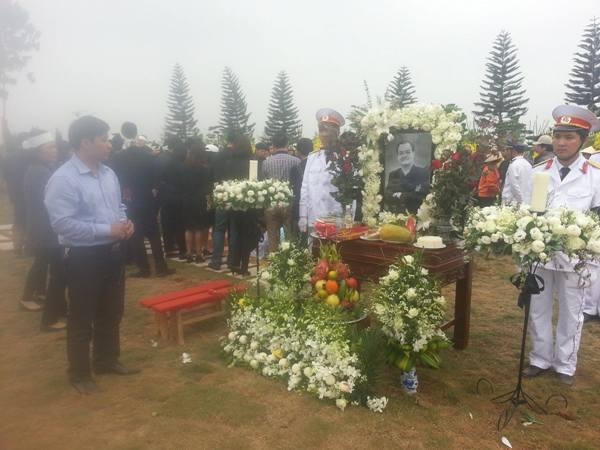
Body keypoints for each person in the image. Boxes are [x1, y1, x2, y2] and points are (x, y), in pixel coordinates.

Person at [44, 116, 140, 394]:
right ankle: (79, 373)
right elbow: (62, 224)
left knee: (111, 311)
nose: (109, 144)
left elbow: (118, 206)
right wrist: (107, 229)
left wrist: (125, 222)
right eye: (103, 139)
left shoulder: (109, 174)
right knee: (82, 315)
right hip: (83, 256)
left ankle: (106, 360)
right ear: (85, 142)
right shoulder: (63, 179)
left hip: (112, 252)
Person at [524, 105, 600, 386]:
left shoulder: (595, 175)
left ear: (582, 140)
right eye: (557, 136)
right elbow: (526, 213)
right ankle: (540, 358)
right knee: (538, 308)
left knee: (572, 312)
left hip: (576, 259)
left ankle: (565, 364)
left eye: (569, 137)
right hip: (541, 254)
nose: (561, 143)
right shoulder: (538, 172)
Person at [21, 131, 68, 329]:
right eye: (50, 147)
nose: (54, 150)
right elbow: (51, 201)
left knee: (45, 264)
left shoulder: (42, 169)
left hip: (43, 226)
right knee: (56, 269)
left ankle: (56, 306)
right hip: (46, 227)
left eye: (54, 146)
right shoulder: (39, 172)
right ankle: (51, 314)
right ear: (38, 152)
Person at [112, 131, 174, 278]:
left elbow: (118, 178)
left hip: (130, 198)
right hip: (147, 198)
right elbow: (156, 177)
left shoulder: (120, 158)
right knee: (154, 234)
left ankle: (143, 268)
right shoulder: (148, 157)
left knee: (136, 235)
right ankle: (161, 267)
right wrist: (154, 188)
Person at [299, 108, 345, 233]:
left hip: (336, 218)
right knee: (314, 246)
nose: (324, 135)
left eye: (327, 130)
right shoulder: (312, 158)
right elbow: (305, 187)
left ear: (336, 133)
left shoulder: (344, 157)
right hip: (314, 216)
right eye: (321, 130)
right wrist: (303, 215)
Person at [260, 133, 300, 253]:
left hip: (271, 203)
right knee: (289, 236)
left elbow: (263, 182)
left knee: (272, 236)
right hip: (289, 203)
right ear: (287, 144)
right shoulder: (296, 161)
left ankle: (274, 259)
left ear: (273, 145)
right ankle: (288, 259)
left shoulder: (266, 162)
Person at [227, 135, 258, 275]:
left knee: (235, 233)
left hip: (234, 202)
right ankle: (244, 266)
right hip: (249, 204)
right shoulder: (252, 162)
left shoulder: (230, 162)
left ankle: (234, 262)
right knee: (247, 235)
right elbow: (255, 182)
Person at [181, 140, 212, 263]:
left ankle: (189, 253)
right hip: (199, 199)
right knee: (199, 228)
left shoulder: (184, 168)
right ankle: (199, 254)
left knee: (188, 228)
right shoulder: (205, 169)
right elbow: (208, 187)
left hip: (186, 198)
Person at [384, 141, 430, 214]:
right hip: (395, 216)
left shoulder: (422, 172)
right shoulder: (393, 174)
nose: (404, 155)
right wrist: (412, 192)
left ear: (413, 153)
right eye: (401, 153)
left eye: (407, 152)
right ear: (397, 156)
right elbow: (387, 196)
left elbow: (422, 196)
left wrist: (401, 195)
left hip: (416, 215)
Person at [160, 140, 188, 258]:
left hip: (166, 196)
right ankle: (182, 249)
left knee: (167, 223)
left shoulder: (166, 163)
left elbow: (162, 179)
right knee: (180, 224)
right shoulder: (184, 166)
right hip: (180, 197)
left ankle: (168, 248)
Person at [290, 138, 313, 236]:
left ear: (298, 151)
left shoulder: (295, 168)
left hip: (300, 208)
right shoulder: (317, 165)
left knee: (300, 237)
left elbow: (294, 190)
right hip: (315, 206)